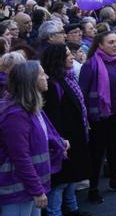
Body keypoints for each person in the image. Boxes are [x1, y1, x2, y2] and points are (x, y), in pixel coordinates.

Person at [0, 61, 67, 216]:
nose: (47, 77)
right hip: (17, 187)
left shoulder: (30, 107)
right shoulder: (15, 114)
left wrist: (59, 142)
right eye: (42, 74)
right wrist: (36, 190)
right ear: (30, 80)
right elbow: (20, 156)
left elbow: (41, 136)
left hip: (27, 185)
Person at [78, 31, 116, 203]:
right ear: (100, 45)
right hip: (98, 116)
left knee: (114, 149)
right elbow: (82, 93)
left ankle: (115, 180)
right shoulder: (90, 65)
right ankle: (93, 188)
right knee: (97, 153)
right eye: (111, 42)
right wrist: (85, 118)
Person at [39, 45, 91, 216]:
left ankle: (72, 208)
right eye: (67, 55)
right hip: (64, 140)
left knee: (72, 178)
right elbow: (53, 118)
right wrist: (59, 143)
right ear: (57, 59)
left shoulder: (68, 78)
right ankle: (55, 212)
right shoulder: (53, 85)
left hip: (75, 135)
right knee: (61, 181)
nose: (71, 57)